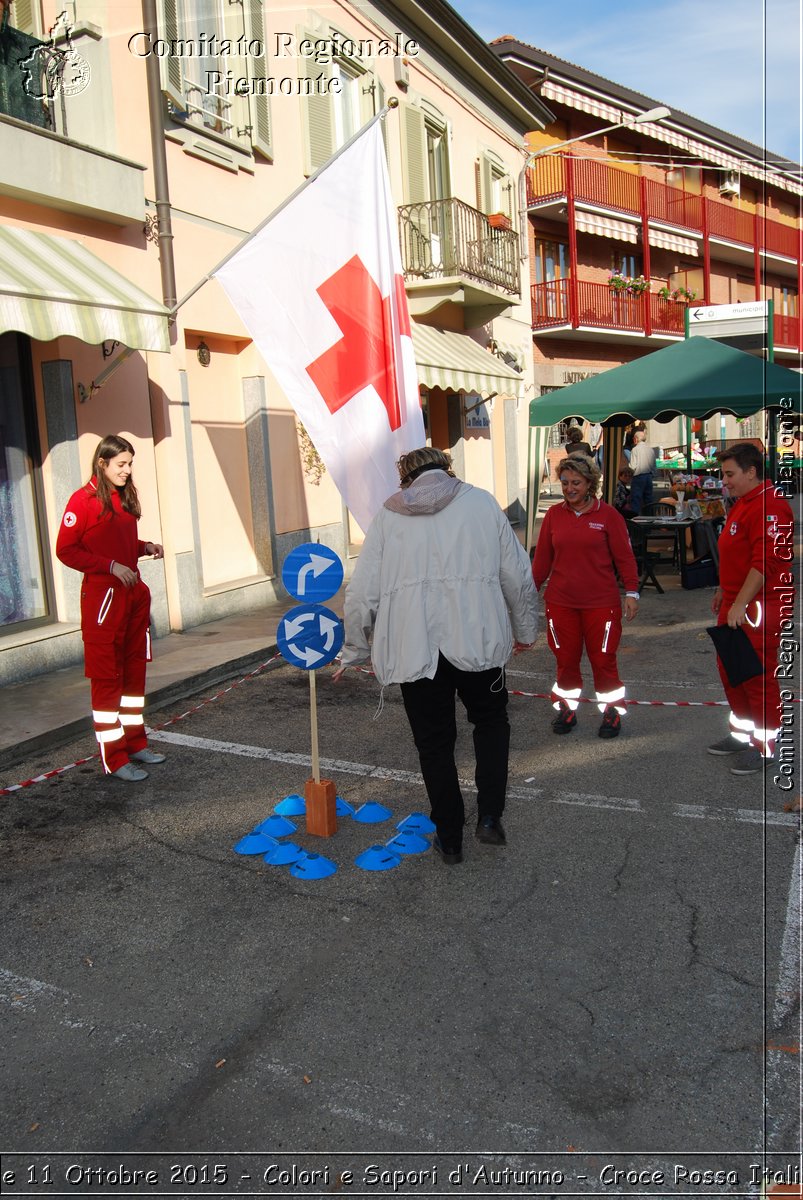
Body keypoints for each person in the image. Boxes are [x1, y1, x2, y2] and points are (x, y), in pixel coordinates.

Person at [333, 447, 538, 864]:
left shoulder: (388, 517)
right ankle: (489, 817)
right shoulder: (480, 502)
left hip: (414, 648)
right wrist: (526, 628)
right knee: (491, 724)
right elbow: (517, 575)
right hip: (478, 640)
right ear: (448, 469)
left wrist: (353, 649)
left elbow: (360, 595)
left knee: (433, 744)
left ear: (404, 478)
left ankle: (449, 835)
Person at [56, 435, 166, 783]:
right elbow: (66, 550)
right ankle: (114, 759)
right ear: (102, 463)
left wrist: (143, 546)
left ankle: (135, 744)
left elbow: (116, 542)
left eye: (130, 463)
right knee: (107, 679)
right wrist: (109, 566)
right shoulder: (82, 501)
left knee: (134, 674)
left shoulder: (121, 498)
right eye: (121, 464)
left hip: (132, 596)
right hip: (103, 602)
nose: (127, 470)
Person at [532, 453, 639, 738]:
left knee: (603, 660)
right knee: (565, 659)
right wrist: (527, 593)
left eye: (576, 482)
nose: (569, 488)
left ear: (590, 483)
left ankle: (611, 712)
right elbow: (541, 561)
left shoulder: (608, 516)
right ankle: (567, 708)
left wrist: (632, 591)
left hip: (600, 605)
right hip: (560, 603)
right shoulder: (554, 515)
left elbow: (625, 558)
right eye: (565, 482)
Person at [706, 443, 795, 776]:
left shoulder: (770, 506)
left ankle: (766, 745)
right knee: (732, 672)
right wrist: (723, 591)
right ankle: (743, 735)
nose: (724, 481)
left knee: (756, 676)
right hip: (737, 600)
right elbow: (737, 555)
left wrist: (741, 602)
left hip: (759, 605)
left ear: (751, 471)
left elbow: (766, 561)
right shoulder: (745, 503)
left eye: (729, 474)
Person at [629, 427, 656, 514]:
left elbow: (633, 466)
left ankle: (635, 521)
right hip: (649, 476)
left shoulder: (635, 449)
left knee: (636, 500)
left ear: (636, 439)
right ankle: (650, 521)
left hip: (638, 477)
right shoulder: (651, 450)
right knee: (649, 500)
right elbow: (654, 466)